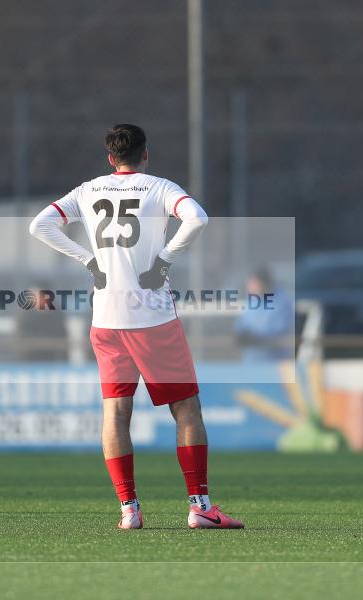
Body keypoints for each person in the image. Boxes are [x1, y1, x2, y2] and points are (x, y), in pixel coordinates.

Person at [29, 124, 243, 529]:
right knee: (186, 409)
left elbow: (39, 225)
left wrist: (88, 261)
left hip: (106, 318)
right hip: (152, 318)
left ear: (111, 158)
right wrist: (163, 260)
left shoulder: (88, 190)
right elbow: (197, 219)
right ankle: (200, 506)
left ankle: (129, 510)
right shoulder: (160, 187)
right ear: (146, 154)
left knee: (115, 411)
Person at [235, 267, 294, 361]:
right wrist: (241, 334)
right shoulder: (252, 300)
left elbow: (280, 331)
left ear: (264, 283)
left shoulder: (282, 302)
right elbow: (241, 324)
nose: (249, 286)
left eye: (254, 283)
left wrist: (255, 337)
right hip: (251, 363)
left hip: (274, 364)